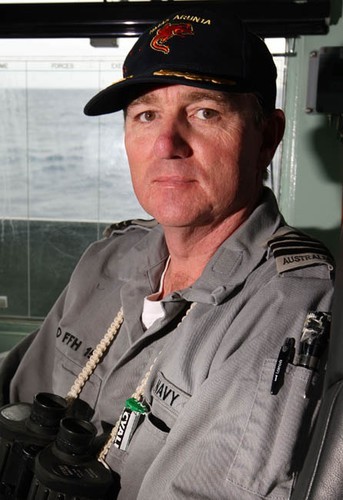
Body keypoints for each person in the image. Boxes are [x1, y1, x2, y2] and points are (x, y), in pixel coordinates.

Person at [0, 6, 335, 500]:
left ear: (268, 137)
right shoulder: (108, 259)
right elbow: (15, 398)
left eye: (204, 112)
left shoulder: (292, 305)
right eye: (146, 114)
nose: (166, 143)